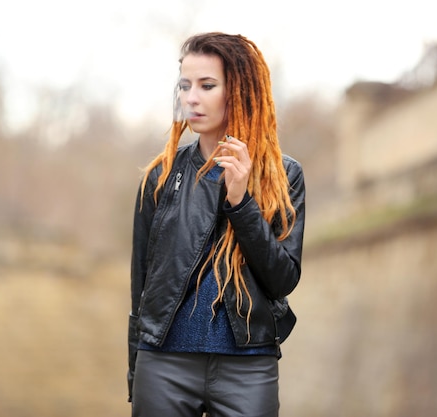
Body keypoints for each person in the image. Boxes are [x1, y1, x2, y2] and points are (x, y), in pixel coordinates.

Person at [127, 31, 306, 417]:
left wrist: (240, 200)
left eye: (207, 85)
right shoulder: (160, 176)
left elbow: (283, 279)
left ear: (238, 92)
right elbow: (140, 287)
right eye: (185, 85)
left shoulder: (282, 175)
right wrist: (135, 370)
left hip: (248, 365)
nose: (191, 97)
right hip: (164, 363)